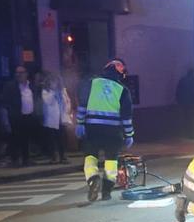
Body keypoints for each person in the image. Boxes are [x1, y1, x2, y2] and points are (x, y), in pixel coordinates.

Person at [76, 59, 134, 201]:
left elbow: (82, 105)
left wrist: (80, 123)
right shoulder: (122, 90)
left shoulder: (91, 83)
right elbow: (126, 116)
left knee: (90, 157)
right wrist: (129, 135)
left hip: (92, 128)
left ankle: (93, 179)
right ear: (120, 73)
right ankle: (106, 191)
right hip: (113, 131)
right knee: (111, 160)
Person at [0, 65, 41, 167]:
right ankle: (15, 159)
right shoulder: (11, 86)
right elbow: (5, 101)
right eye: (17, 73)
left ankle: (26, 159)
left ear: (26, 74)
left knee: (26, 138)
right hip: (16, 116)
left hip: (29, 116)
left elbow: (36, 98)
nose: (19, 75)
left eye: (21, 72)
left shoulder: (31, 86)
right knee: (15, 138)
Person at [40, 72, 72, 164]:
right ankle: (54, 157)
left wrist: (68, 110)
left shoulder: (62, 90)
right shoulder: (46, 91)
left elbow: (67, 101)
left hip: (61, 118)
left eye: (56, 81)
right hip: (51, 119)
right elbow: (48, 101)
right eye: (52, 81)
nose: (55, 83)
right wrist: (53, 92)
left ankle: (63, 156)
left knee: (62, 138)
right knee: (52, 139)